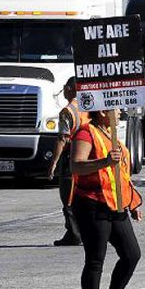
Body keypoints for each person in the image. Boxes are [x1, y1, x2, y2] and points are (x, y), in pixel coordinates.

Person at [70, 109, 143, 289]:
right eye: (117, 108)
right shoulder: (86, 132)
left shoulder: (110, 133)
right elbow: (76, 165)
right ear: (103, 110)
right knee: (95, 259)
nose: (120, 112)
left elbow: (119, 173)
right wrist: (103, 162)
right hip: (92, 204)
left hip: (116, 204)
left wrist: (132, 201)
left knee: (131, 254)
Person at [48, 77, 89, 246]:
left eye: (64, 88)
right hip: (89, 154)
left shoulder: (68, 111)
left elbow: (62, 138)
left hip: (71, 156)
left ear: (71, 89)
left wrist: (54, 163)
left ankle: (74, 233)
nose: (63, 91)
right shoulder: (89, 107)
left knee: (68, 196)